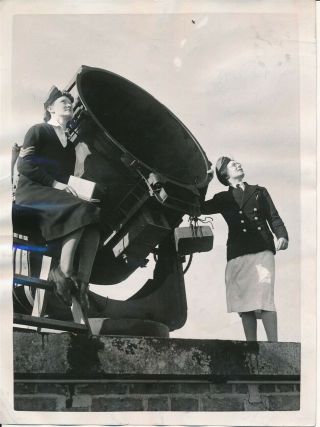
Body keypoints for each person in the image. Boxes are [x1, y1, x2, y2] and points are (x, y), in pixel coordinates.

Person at [15, 86, 101, 310]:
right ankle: (63, 271)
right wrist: (56, 185)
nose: (68, 104)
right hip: (32, 193)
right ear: (50, 108)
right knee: (82, 209)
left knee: (94, 223)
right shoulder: (38, 130)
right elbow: (24, 165)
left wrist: (80, 191)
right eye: (63, 101)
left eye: (69, 102)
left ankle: (81, 284)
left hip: (54, 195)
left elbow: (66, 178)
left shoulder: (70, 146)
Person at [201, 157, 288, 341]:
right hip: (238, 253)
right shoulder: (223, 198)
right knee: (245, 301)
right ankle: (251, 345)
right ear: (225, 175)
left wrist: (282, 236)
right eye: (233, 165)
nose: (238, 164)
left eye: (237, 163)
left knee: (264, 295)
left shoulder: (259, 191)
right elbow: (199, 208)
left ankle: (274, 344)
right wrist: (206, 182)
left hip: (262, 249)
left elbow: (274, 217)